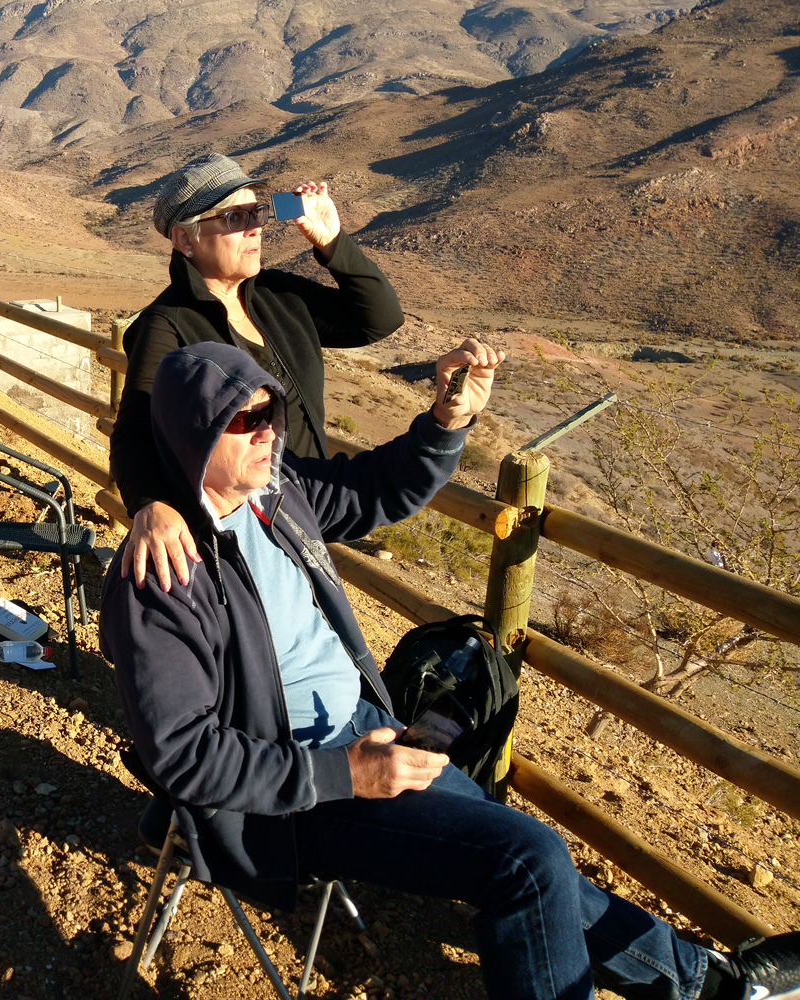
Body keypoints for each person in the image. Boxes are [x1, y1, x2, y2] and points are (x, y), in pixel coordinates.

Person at [100, 340, 800, 1000]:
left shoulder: (276, 497)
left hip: (364, 731)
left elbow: (378, 486)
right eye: (243, 420)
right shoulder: (164, 575)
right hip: (288, 799)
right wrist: (346, 774)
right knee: (526, 861)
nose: (267, 433)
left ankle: (707, 984)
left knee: (527, 850)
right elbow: (184, 756)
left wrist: (446, 419)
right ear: (192, 436)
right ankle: (709, 984)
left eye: (271, 413)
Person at [112, 152, 404, 592]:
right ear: (185, 238)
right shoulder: (166, 326)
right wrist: (150, 504)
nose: (254, 228)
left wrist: (332, 243)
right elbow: (134, 434)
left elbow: (378, 319)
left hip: (306, 510)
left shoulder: (279, 294)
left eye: (256, 213)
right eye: (234, 217)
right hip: (238, 530)